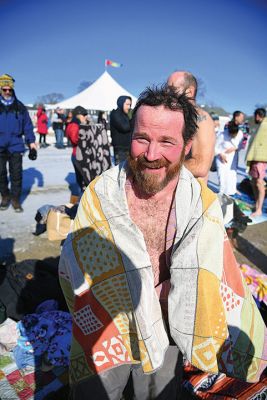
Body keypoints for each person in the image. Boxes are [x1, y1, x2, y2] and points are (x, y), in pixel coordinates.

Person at [59, 84, 267, 399]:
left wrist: (168, 297)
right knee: (96, 393)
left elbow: (214, 275)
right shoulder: (99, 196)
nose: (152, 154)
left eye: (166, 141)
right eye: (142, 139)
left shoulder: (201, 204)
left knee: (157, 394)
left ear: (186, 147)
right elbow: (76, 268)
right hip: (107, 324)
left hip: (170, 325)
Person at [167, 71, 215, 180]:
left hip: (191, 193)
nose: (167, 93)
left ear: (189, 92)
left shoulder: (201, 118)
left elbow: (200, 166)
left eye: (172, 89)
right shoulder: (176, 116)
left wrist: (163, 166)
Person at [0, 74, 37, 212]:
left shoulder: (19, 107)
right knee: (1, 173)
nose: (7, 92)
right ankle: (5, 196)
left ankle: (15, 199)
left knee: (16, 174)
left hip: (16, 144)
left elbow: (27, 126)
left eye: (9, 89)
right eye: (4, 90)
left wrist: (31, 143)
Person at [246, 108, 267, 217]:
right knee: (254, 182)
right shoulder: (260, 126)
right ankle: (257, 203)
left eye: (255, 116)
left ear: (258, 115)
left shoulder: (265, 125)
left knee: (259, 183)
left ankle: (259, 209)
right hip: (255, 158)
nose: (255, 118)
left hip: (261, 159)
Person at [215, 120, 243, 195]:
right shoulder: (221, 135)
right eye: (232, 134)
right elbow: (215, 147)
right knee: (222, 175)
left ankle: (232, 191)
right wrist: (221, 154)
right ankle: (221, 192)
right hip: (221, 158)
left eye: (235, 134)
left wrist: (235, 148)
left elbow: (241, 145)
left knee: (232, 176)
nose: (233, 136)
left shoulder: (240, 134)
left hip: (232, 158)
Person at [65, 106, 88, 193]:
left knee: (83, 179)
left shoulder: (78, 124)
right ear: (78, 115)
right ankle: (80, 199)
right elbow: (75, 139)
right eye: (84, 115)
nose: (85, 117)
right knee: (82, 180)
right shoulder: (74, 125)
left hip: (81, 155)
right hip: (77, 155)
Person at [110, 95, 132, 164]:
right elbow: (124, 127)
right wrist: (134, 120)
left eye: (130, 105)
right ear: (121, 103)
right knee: (120, 171)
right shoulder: (115, 114)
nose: (129, 107)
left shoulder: (125, 115)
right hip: (120, 149)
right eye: (127, 104)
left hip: (127, 147)